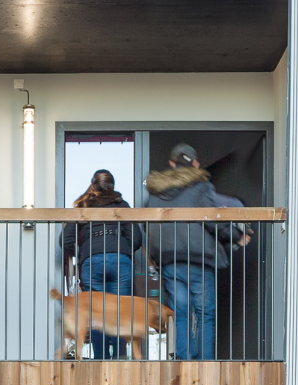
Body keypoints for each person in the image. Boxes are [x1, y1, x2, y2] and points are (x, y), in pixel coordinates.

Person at [143, 143, 248, 360]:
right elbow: (214, 220)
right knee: (204, 314)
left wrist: (154, 258)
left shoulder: (155, 194)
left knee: (180, 313)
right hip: (199, 260)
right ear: (196, 164)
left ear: (172, 164)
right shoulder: (201, 188)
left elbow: (149, 229)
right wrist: (238, 236)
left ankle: (185, 360)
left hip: (171, 261)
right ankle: (206, 363)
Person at [61, 170, 145, 358]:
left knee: (95, 314)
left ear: (93, 185)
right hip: (120, 260)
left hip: (93, 261)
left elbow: (65, 240)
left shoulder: (84, 206)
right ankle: (119, 359)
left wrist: (83, 252)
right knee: (121, 313)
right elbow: (137, 239)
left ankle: (100, 360)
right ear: (112, 186)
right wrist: (122, 249)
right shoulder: (122, 206)